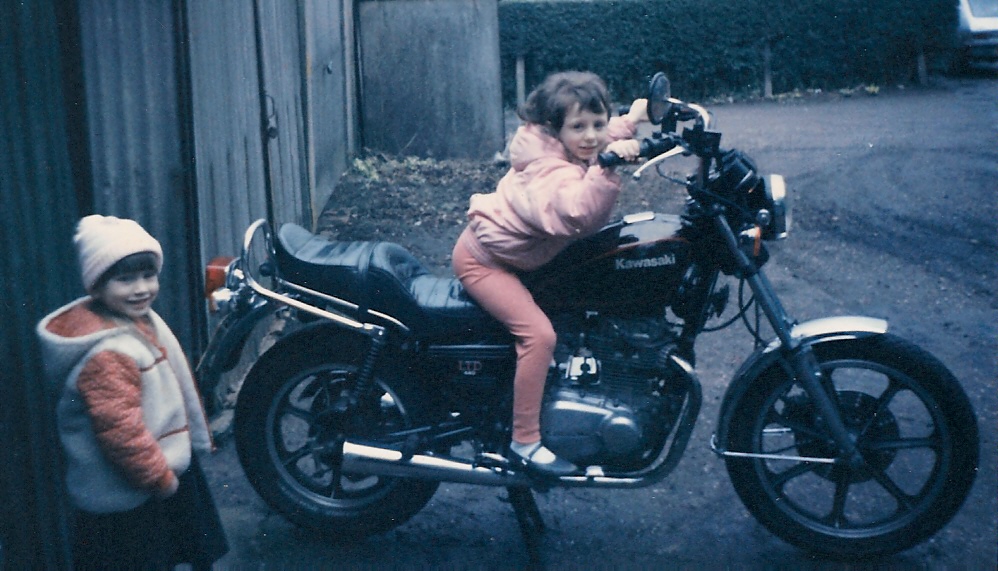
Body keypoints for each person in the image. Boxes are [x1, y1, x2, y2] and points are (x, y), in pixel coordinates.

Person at [452, 71, 647, 476]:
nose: (590, 136)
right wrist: (607, 167)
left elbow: (598, 136)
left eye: (597, 123)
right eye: (578, 127)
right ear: (555, 131)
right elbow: (576, 213)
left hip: (519, 258)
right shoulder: (547, 173)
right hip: (486, 262)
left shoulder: (565, 144)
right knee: (539, 336)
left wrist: (632, 119)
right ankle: (524, 442)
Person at [36, 215, 228, 570]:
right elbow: (121, 432)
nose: (141, 288)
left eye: (148, 275)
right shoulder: (107, 354)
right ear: (97, 287)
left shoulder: (137, 321)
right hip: (132, 486)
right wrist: (160, 479)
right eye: (125, 279)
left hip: (154, 469)